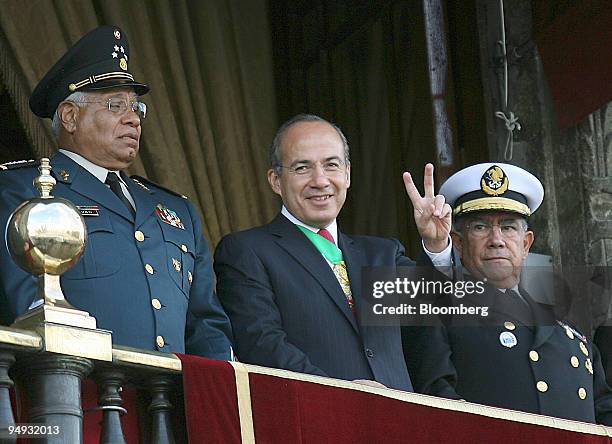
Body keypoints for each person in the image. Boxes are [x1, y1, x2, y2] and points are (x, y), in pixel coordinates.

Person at [0, 25, 232, 359]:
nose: (133, 119)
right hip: (83, 400)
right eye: (116, 106)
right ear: (69, 116)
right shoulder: (25, 192)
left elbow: (207, 328)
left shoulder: (176, 211)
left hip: (175, 405)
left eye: (136, 108)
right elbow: (27, 311)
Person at [214, 113, 452, 390]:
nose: (320, 180)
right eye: (302, 168)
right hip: (313, 421)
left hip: (397, 425)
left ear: (347, 174)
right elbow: (262, 344)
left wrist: (436, 247)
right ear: (275, 180)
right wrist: (339, 394)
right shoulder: (247, 251)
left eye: (331, 165)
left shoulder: (381, 254)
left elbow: (440, 318)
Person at [403, 162, 612, 424]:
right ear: (458, 242)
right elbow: (437, 404)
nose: (496, 239)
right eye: (480, 227)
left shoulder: (569, 332)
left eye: (509, 227)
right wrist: (436, 246)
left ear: (526, 244)